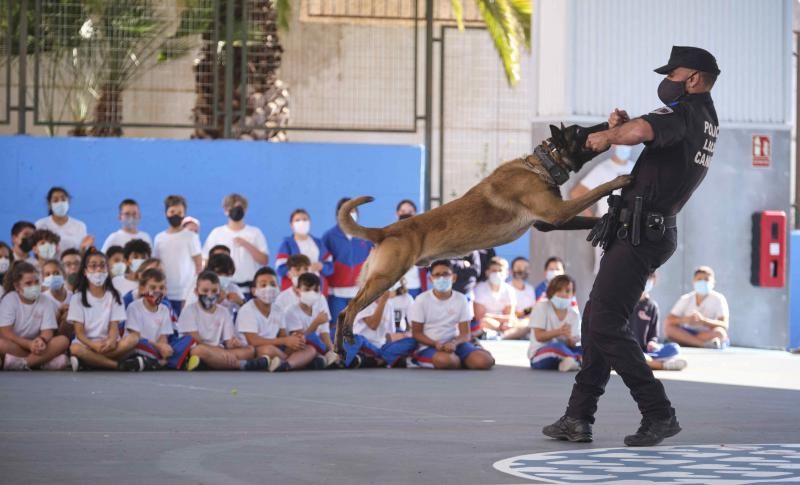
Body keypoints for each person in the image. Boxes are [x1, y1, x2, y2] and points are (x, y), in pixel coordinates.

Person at [543, 46, 720, 447]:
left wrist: (604, 136)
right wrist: (625, 127)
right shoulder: (703, 119)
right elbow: (647, 131)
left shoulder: (686, 112)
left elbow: (642, 130)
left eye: (673, 74)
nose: (667, 80)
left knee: (605, 323)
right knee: (595, 320)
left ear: (692, 78)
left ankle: (658, 413)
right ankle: (577, 417)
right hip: (642, 231)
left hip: (642, 234)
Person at [408, 260, 494, 370]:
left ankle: (465, 358)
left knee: (484, 361)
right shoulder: (421, 300)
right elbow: (417, 333)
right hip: (429, 346)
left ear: (453, 277)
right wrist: (436, 344)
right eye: (437, 275)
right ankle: (461, 361)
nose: (441, 278)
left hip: (456, 345)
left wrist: (454, 343)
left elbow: (465, 333)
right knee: (446, 361)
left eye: (445, 274)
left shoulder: (461, 299)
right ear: (431, 279)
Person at [67, 248, 141, 371]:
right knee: (74, 348)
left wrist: (111, 340)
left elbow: (114, 326)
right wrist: (93, 345)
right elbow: (79, 332)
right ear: (85, 271)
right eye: (93, 266)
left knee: (132, 339)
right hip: (87, 345)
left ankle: (90, 362)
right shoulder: (77, 298)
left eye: (102, 266)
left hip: (109, 344)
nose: (99, 270)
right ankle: (117, 365)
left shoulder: (115, 295)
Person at [177, 271, 266, 371]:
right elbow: (197, 341)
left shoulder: (223, 312)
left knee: (249, 350)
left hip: (218, 351)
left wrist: (234, 343)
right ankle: (240, 365)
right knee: (198, 351)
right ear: (196, 292)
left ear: (220, 292)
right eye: (205, 291)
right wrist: (221, 352)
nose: (210, 295)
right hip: (198, 349)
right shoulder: (189, 311)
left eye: (214, 291)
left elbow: (228, 342)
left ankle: (212, 363)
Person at [570, 146, 637, 274]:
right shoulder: (603, 169)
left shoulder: (635, 168)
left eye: (627, 145)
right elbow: (576, 193)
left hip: (631, 227)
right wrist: (592, 220)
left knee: (629, 270)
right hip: (608, 226)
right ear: (614, 146)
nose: (625, 148)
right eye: (622, 145)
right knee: (606, 269)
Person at [238, 267, 316, 372]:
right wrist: (285, 340)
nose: (268, 288)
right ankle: (298, 362)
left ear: (278, 288)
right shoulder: (247, 310)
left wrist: (295, 339)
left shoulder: (278, 310)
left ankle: (286, 364)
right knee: (267, 350)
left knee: (310, 349)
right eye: (263, 285)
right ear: (254, 290)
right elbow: (253, 341)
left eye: (272, 284)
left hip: (276, 349)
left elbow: (283, 336)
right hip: (255, 350)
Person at [0, 261, 69, 370]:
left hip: (39, 346)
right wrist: (28, 344)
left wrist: (42, 340)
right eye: (28, 283)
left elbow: (48, 331)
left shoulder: (45, 301)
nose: (34, 286)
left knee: (63, 340)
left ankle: (23, 363)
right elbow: (5, 332)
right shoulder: (10, 299)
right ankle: (42, 362)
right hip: (15, 344)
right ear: (17, 286)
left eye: (37, 282)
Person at [322, 197, 373, 337]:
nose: (350, 213)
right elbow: (324, 265)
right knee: (337, 327)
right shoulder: (328, 237)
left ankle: (356, 356)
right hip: (336, 293)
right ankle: (337, 357)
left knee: (358, 327)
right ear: (339, 213)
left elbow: (372, 262)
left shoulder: (365, 235)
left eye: (353, 209)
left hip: (359, 292)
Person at [202, 193, 269, 295]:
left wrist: (247, 244)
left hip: (249, 288)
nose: (236, 210)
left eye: (239, 207)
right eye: (231, 207)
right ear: (225, 211)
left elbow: (264, 260)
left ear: (245, 210)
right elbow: (206, 261)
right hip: (223, 288)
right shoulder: (216, 233)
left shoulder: (255, 233)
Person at [153, 195, 202, 316]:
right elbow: (156, 264)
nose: (176, 215)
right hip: (164, 292)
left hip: (185, 293)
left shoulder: (191, 237)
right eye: (172, 211)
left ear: (184, 214)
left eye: (180, 212)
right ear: (166, 213)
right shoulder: (159, 238)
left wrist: (192, 291)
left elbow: (198, 264)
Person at [344, 289, 418, 369]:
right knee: (355, 339)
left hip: (379, 347)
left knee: (413, 340)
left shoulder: (389, 304)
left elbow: (388, 335)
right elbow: (373, 325)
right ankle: (384, 359)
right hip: (363, 343)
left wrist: (404, 336)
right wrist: (382, 302)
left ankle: (379, 360)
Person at [630, 272, 687, 371]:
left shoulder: (652, 306)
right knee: (628, 353)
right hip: (626, 348)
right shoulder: (625, 302)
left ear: (654, 281)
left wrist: (652, 343)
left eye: (648, 279)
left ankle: (646, 361)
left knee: (674, 348)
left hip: (646, 351)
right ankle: (662, 365)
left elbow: (654, 335)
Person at [283, 272, 339, 368]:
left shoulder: (321, 301)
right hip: (299, 348)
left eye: (316, 290)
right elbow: (300, 340)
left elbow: (324, 333)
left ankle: (326, 357)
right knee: (312, 339)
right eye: (307, 290)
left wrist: (332, 350)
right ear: (297, 291)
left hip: (318, 345)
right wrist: (316, 323)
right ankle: (323, 357)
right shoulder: (290, 311)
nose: (312, 293)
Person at [665, 266, 729, 349]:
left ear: (713, 282)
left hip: (706, 333)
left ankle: (688, 342)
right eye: (699, 279)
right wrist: (686, 320)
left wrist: (703, 321)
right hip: (687, 332)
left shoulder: (719, 298)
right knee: (669, 329)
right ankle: (703, 344)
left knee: (720, 333)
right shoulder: (686, 298)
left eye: (706, 279)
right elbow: (669, 321)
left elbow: (724, 325)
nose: (703, 282)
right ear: (694, 281)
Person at [123, 268, 175, 370]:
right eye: (152, 287)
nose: (157, 291)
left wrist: (163, 347)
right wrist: (159, 347)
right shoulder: (134, 307)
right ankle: (157, 362)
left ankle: (152, 362)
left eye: (161, 288)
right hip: (138, 345)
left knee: (175, 347)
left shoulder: (165, 309)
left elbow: (163, 337)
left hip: (154, 348)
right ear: (142, 289)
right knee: (139, 345)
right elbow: (136, 336)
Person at [528, 275, 582, 372]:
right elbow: (538, 336)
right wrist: (559, 332)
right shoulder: (541, 307)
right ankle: (582, 361)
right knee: (557, 348)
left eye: (567, 291)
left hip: (566, 351)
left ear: (573, 293)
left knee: (587, 348)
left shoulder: (574, 314)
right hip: (540, 353)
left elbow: (572, 344)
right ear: (551, 291)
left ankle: (570, 362)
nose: (563, 294)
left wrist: (570, 338)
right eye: (559, 290)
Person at [275, 209, 333, 293]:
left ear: (309, 222)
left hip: (317, 288)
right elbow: (280, 267)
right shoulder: (287, 244)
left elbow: (330, 265)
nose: (301, 222)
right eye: (297, 220)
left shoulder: (318, 243)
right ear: (291, 224)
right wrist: (293, 271)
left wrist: (321, 266)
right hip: (295, 289)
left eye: (305, 219)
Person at [35, 187, 94, 252]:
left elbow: (83, 252)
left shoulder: (80, 226)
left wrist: (84, 248)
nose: (60, 203)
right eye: (55, 200)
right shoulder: (40, 225)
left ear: (68, 202)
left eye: (63, 199)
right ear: (49, 204)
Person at [474, 257, 517, 338]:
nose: (497, 274)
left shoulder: (509, 289)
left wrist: (503, 321)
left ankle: (499, 335)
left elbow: (510, 315)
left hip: (504, 324)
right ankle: (504, 334)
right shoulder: (480, 288)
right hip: (488, 322)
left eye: (500, 271)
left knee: (519, 323)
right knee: (483, 322)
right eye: (494, 271)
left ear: (507, 273)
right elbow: (479, 316)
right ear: (487, 272)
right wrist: (501, 321)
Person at [395, 200, 427, 298]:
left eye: (410, 212)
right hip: (395, 288)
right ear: (397, 214)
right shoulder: (389, 235)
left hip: (416, 287)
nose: (406, 215)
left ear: (415, 214)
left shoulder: (423, 235)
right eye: (403, 212)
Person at [40, 259, 72, 339]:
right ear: (43, 279)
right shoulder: (42, 299)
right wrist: (59, 312)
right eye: (47, 274)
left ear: (64, 275)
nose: (52, 277)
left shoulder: (74, 297)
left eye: (56, 273)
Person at [508, 257, 536, 339]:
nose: (522, 270)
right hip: (510, 322)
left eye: (526, 268)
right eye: (519, 267)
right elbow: (509, 312)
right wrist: (524, 312)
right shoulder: (506, 288)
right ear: (511, 270)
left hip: (526, 323)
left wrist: (525, 314)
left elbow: (532, 309)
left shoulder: (530, 289)